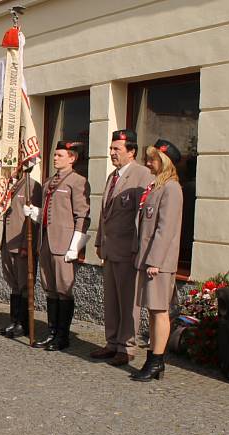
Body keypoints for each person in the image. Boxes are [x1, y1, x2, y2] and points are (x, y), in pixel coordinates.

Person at [91, 130, 153, 366]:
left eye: (117, 149)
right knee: (111, 299)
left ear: (132, 152)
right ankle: (111, 342)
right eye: (111, 148)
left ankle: (127, 347)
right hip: (110, 248)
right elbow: (104, 214)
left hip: (128, 250)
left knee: (129, 301)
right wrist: (99, 241)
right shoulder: (112, 176)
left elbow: (144, 218)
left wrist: (140, 248)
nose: (112, 153)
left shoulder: (142, 175)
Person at [24, 142, 90, 350]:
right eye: (54, 154)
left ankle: (63, 336)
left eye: (60, 155)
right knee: (50, 289)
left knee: (64, 290)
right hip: (45, 243)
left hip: (64, 245)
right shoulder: (48, 182)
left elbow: (82, 215)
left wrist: (75, 245)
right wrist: (34, 213)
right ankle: (52, 332)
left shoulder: (78, 181)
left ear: (72, 158)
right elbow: (47, 212)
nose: (55, 158)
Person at [131, 139, 184, 381]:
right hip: (150, 261)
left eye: (152, 158)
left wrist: (155, 261)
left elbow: (166, 228)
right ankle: (153, 357)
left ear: (164, 161)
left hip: (159, 264)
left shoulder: (171, 188)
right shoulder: (156, 187)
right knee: (152, 311)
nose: (147, 162)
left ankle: (156, 361)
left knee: (160, 310)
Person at [0, 169, 42, 339]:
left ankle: (24, 324)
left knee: (24, 285)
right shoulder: (9, 185)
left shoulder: (32, 187)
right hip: (8, 242)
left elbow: (32, 220)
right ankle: (14, 320)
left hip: (21, 244)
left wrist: (26, 245)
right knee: (14, 284)